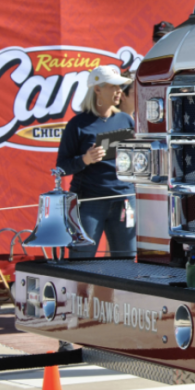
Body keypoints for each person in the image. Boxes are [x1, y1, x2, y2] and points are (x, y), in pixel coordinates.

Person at [56, 65, 136, 259]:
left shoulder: (126, 120)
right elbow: (61, 167)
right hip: (89, 202)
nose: (119, 91)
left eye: (120, 87)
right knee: (81, 261)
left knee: (126, 261)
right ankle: (80, 292)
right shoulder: (77, 124)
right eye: (113, 86)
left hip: (124, 200)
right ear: (97, 89)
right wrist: (85, 159)